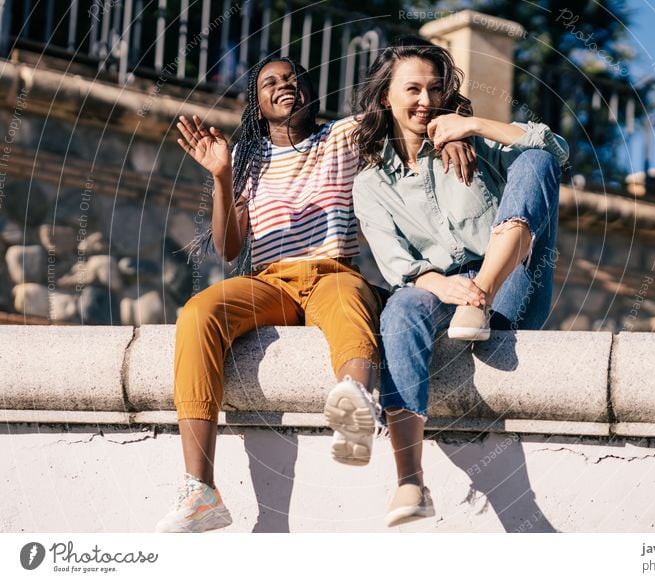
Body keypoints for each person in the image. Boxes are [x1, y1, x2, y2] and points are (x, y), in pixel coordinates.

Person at [156, 55, 476, 533]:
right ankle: (200, 490)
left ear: (310, 93)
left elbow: (411, 109)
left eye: (293, 79)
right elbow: (227, 248)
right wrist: (221, 176)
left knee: (350, 303)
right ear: (257, 102)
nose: (284, 85)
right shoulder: (247, 159)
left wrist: (453, 134)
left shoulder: (343, 137)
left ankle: (357, 404)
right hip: (271, 282)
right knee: (199, 312)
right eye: (270, 82)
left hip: (333, 271)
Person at [351, 37, 569, 527]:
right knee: (402, 306)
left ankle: (485, 293)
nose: (425, 100)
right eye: (412, 89)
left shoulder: (474, 143)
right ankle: (410, 478)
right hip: (443, 293)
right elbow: (394, 262)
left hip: (511, 283)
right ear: (386, 96)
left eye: (434, 89)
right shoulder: (371, 183)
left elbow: (556, 149)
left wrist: (472, 124)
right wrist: (441, 285)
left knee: (534, 160)